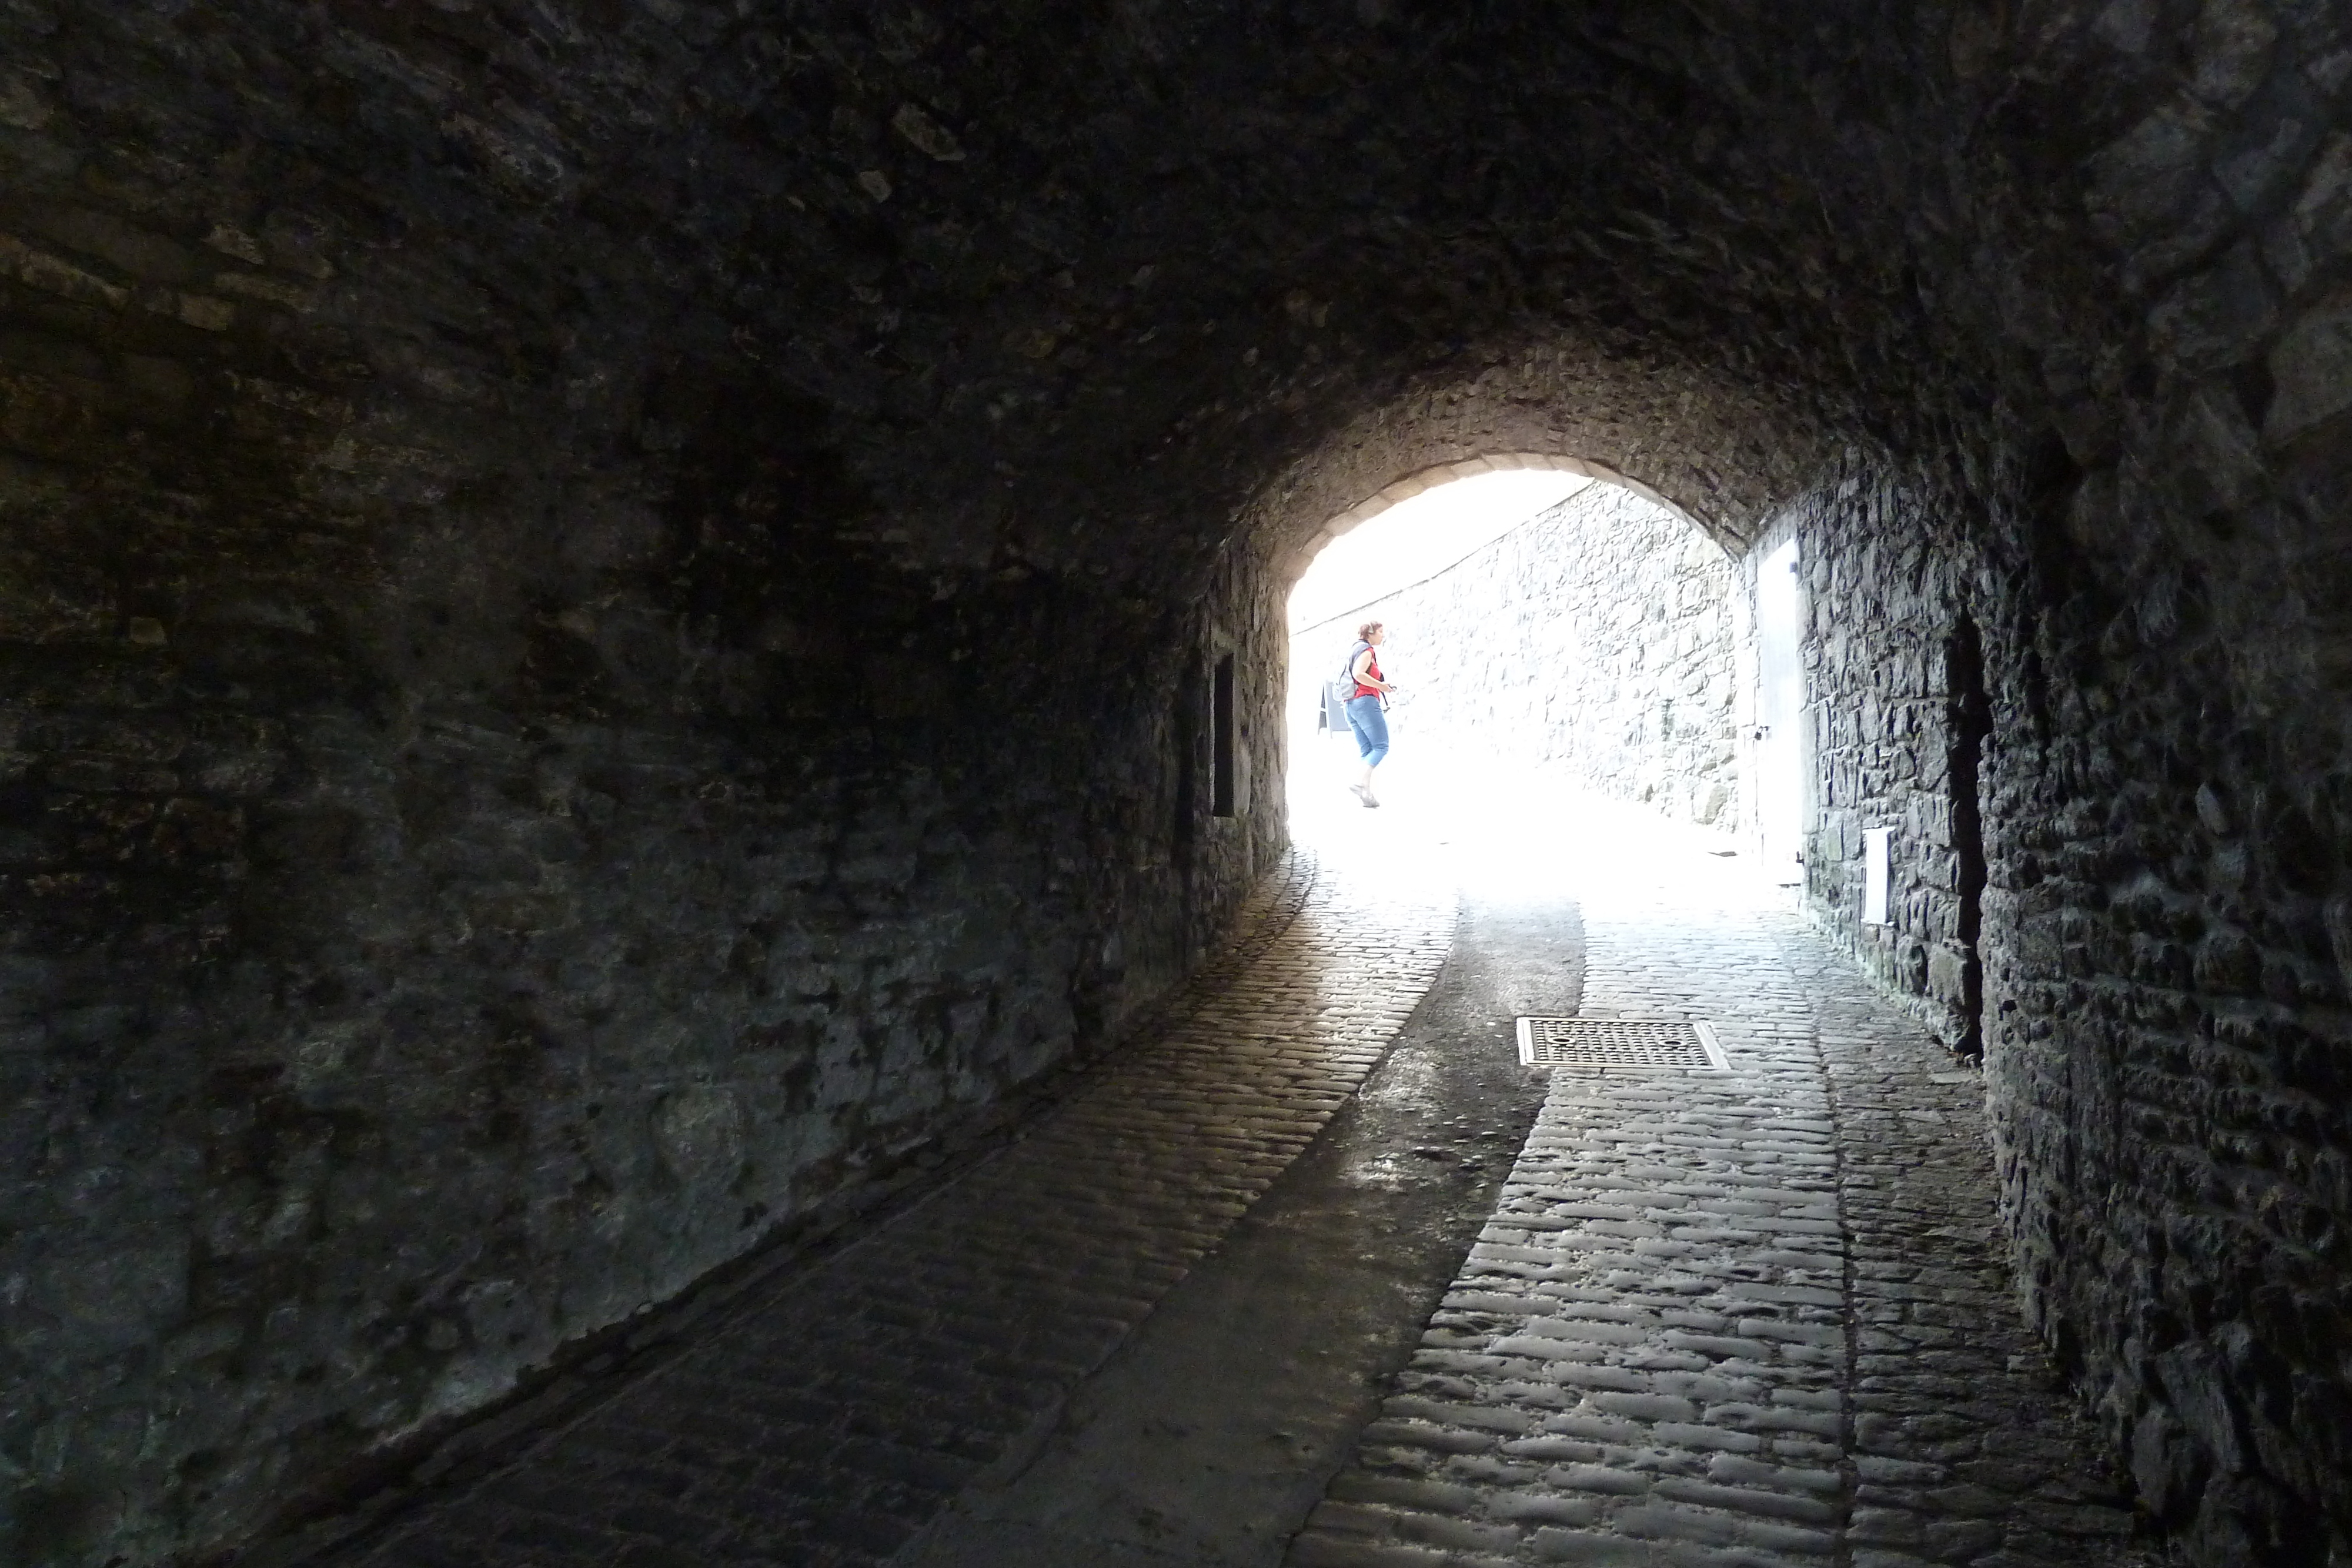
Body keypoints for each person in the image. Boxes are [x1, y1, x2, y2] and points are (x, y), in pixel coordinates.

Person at [1341, 620, 1396, 808]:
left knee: (1367, 750)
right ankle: (1359, 782)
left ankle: (1366, 794)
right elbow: (1358, 674)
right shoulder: (1367, 651)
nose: (1383, 636)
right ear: (1371, 633)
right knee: (1381, 746)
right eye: (1381, 632)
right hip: (1365, 702)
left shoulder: (1353, 649)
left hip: (1350, 705)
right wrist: (1382, 686)